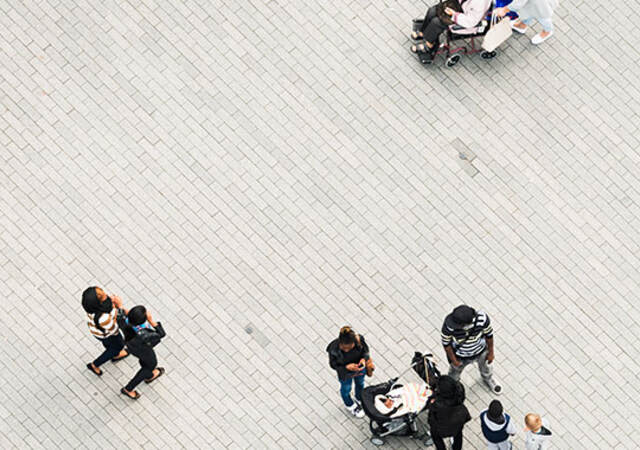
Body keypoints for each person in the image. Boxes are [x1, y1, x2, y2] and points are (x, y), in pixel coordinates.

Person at [441, 305, 502, 394]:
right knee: (454, 374)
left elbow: (489, 335)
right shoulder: (449, 326)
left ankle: (488, 379)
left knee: (485, 367)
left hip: (481, 351)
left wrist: (491, 353)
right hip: (460, 356)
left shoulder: (482, 319)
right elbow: (446, 344)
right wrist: (454, 360)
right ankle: (453, 387)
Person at [410, 0, 492, 63]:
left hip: (464, 21)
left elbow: (471, 21)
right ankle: (423, 32)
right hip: (457, 6)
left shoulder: (480, 2)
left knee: (437, 22)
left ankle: (429, 45)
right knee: (432, 11)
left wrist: (454, 14)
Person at [326, 326, 374, 418]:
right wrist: (346, 367)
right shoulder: (333, 349)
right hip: (345, 374)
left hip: (360, 369)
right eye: (344, 348)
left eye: (349, 347)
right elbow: (333, 365)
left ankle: (359, 397)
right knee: (346, 389)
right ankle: (350, 405)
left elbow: (366, 351)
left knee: (360, 384)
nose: (346, 350)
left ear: (353, 342)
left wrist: (364, 359)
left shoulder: (359, 340)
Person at [120, 305, 166, 399]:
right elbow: (161, 334)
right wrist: (151, 320)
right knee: (150, 365)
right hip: (142, 349)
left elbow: (126, 314)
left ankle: (149, 375)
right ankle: (129, 388)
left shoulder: (123, 319)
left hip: (130, 345)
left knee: (144, 362)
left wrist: (121, 306)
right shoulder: (144, 333)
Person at [82, 286, 129, 376]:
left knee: (109, 346)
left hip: (97, 332)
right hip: (108, 334)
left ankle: (113, 354)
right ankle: (95, 364)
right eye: (104, 296)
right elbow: (114, 329)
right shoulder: (104, 318)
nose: (107, 296)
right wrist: (119, 307)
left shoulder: (90, 308)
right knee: (118, 346)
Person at [427, 375, 471, 450]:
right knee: (458, 435)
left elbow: (431, 413)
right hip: (457, 422)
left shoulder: (438, 404)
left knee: (436, 437)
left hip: (441, 428)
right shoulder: (459, 390)